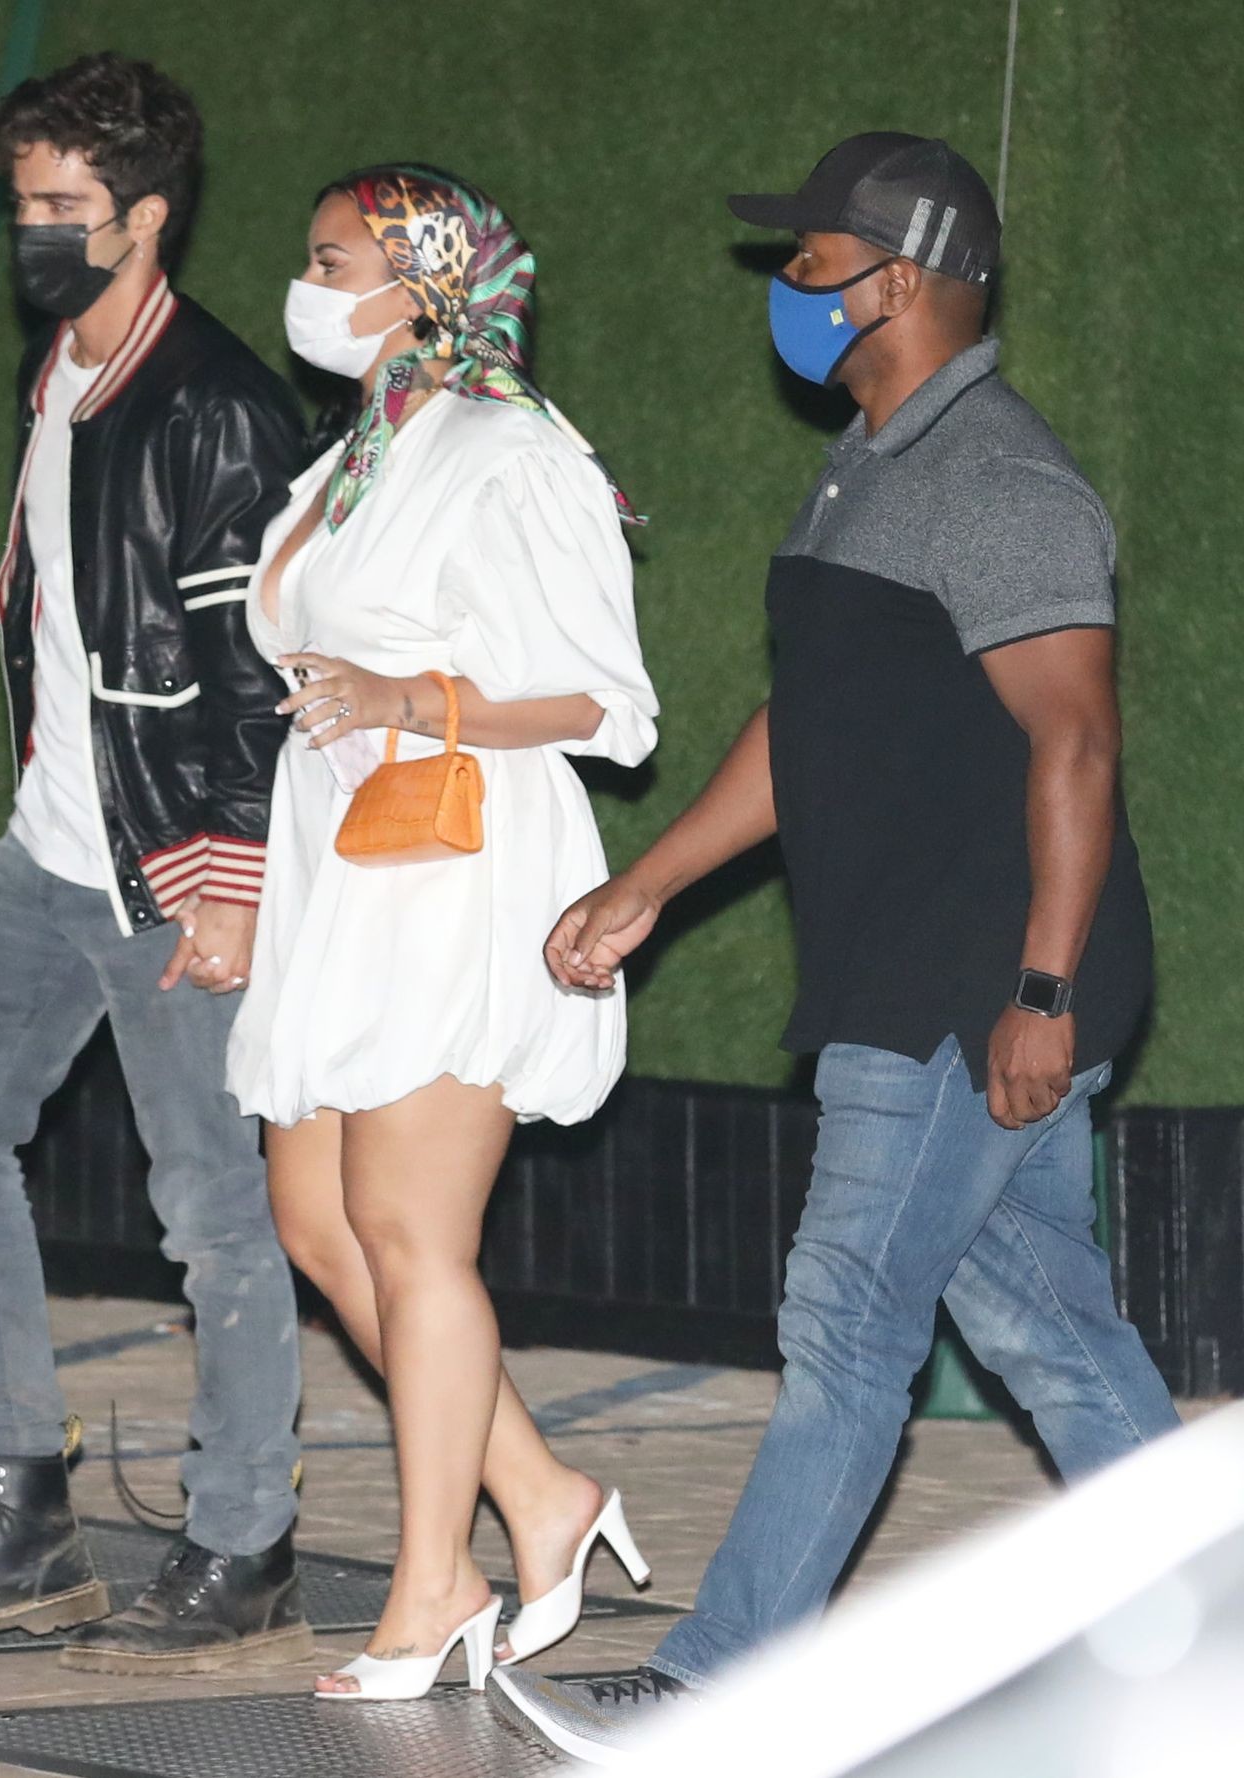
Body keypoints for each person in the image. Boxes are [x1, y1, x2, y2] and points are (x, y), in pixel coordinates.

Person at [493, 133, 1180, 1762]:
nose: (786, 282)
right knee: (1052, 1329)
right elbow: (812, 725)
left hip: (972, 975)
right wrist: (653, 882)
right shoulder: (871, 461)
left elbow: (1078, 742)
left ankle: (719, 1692)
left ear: (905, 278)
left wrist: (1042, 989)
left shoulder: (1002, 480)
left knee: (849, 1318)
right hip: (911, 964)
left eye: (810, 257)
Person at [0, 52, 312, 1676]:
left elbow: (256, 675)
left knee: (216, 1212)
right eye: (19, 199)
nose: (31, 228)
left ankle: (242, 1538)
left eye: (60, 204)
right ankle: (19, 1504)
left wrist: (233, 877)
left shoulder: (218, 405)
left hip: (171, 862)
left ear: (145, 215)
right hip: (49, 843)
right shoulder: (60, 371)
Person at [225, 164, 660, 1701]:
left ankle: (434, 1585)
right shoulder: (357, 455)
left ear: (423, 282)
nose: (309, 284)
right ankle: (541, 1493)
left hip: (459, 867)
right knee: (319, 1222)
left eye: (333, 259)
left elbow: (611, 702)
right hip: (340, 872)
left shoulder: (509, 449)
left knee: (414, 1232)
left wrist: (411, 696)